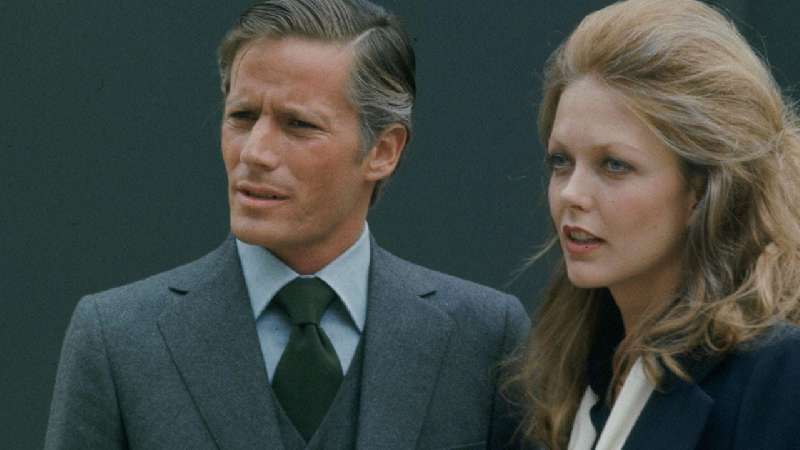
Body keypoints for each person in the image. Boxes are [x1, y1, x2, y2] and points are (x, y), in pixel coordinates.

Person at [44, 1, 529, 448]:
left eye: (298, 125)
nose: (254, 152)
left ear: (383, 150)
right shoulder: (118, 340)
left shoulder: (486, 338)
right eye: (242, 116)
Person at [505, 0, 800, 449]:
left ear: (703, 189)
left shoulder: (775, 374)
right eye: (561, 161)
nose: (571, 194)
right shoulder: (579, 368)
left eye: (614, 165)